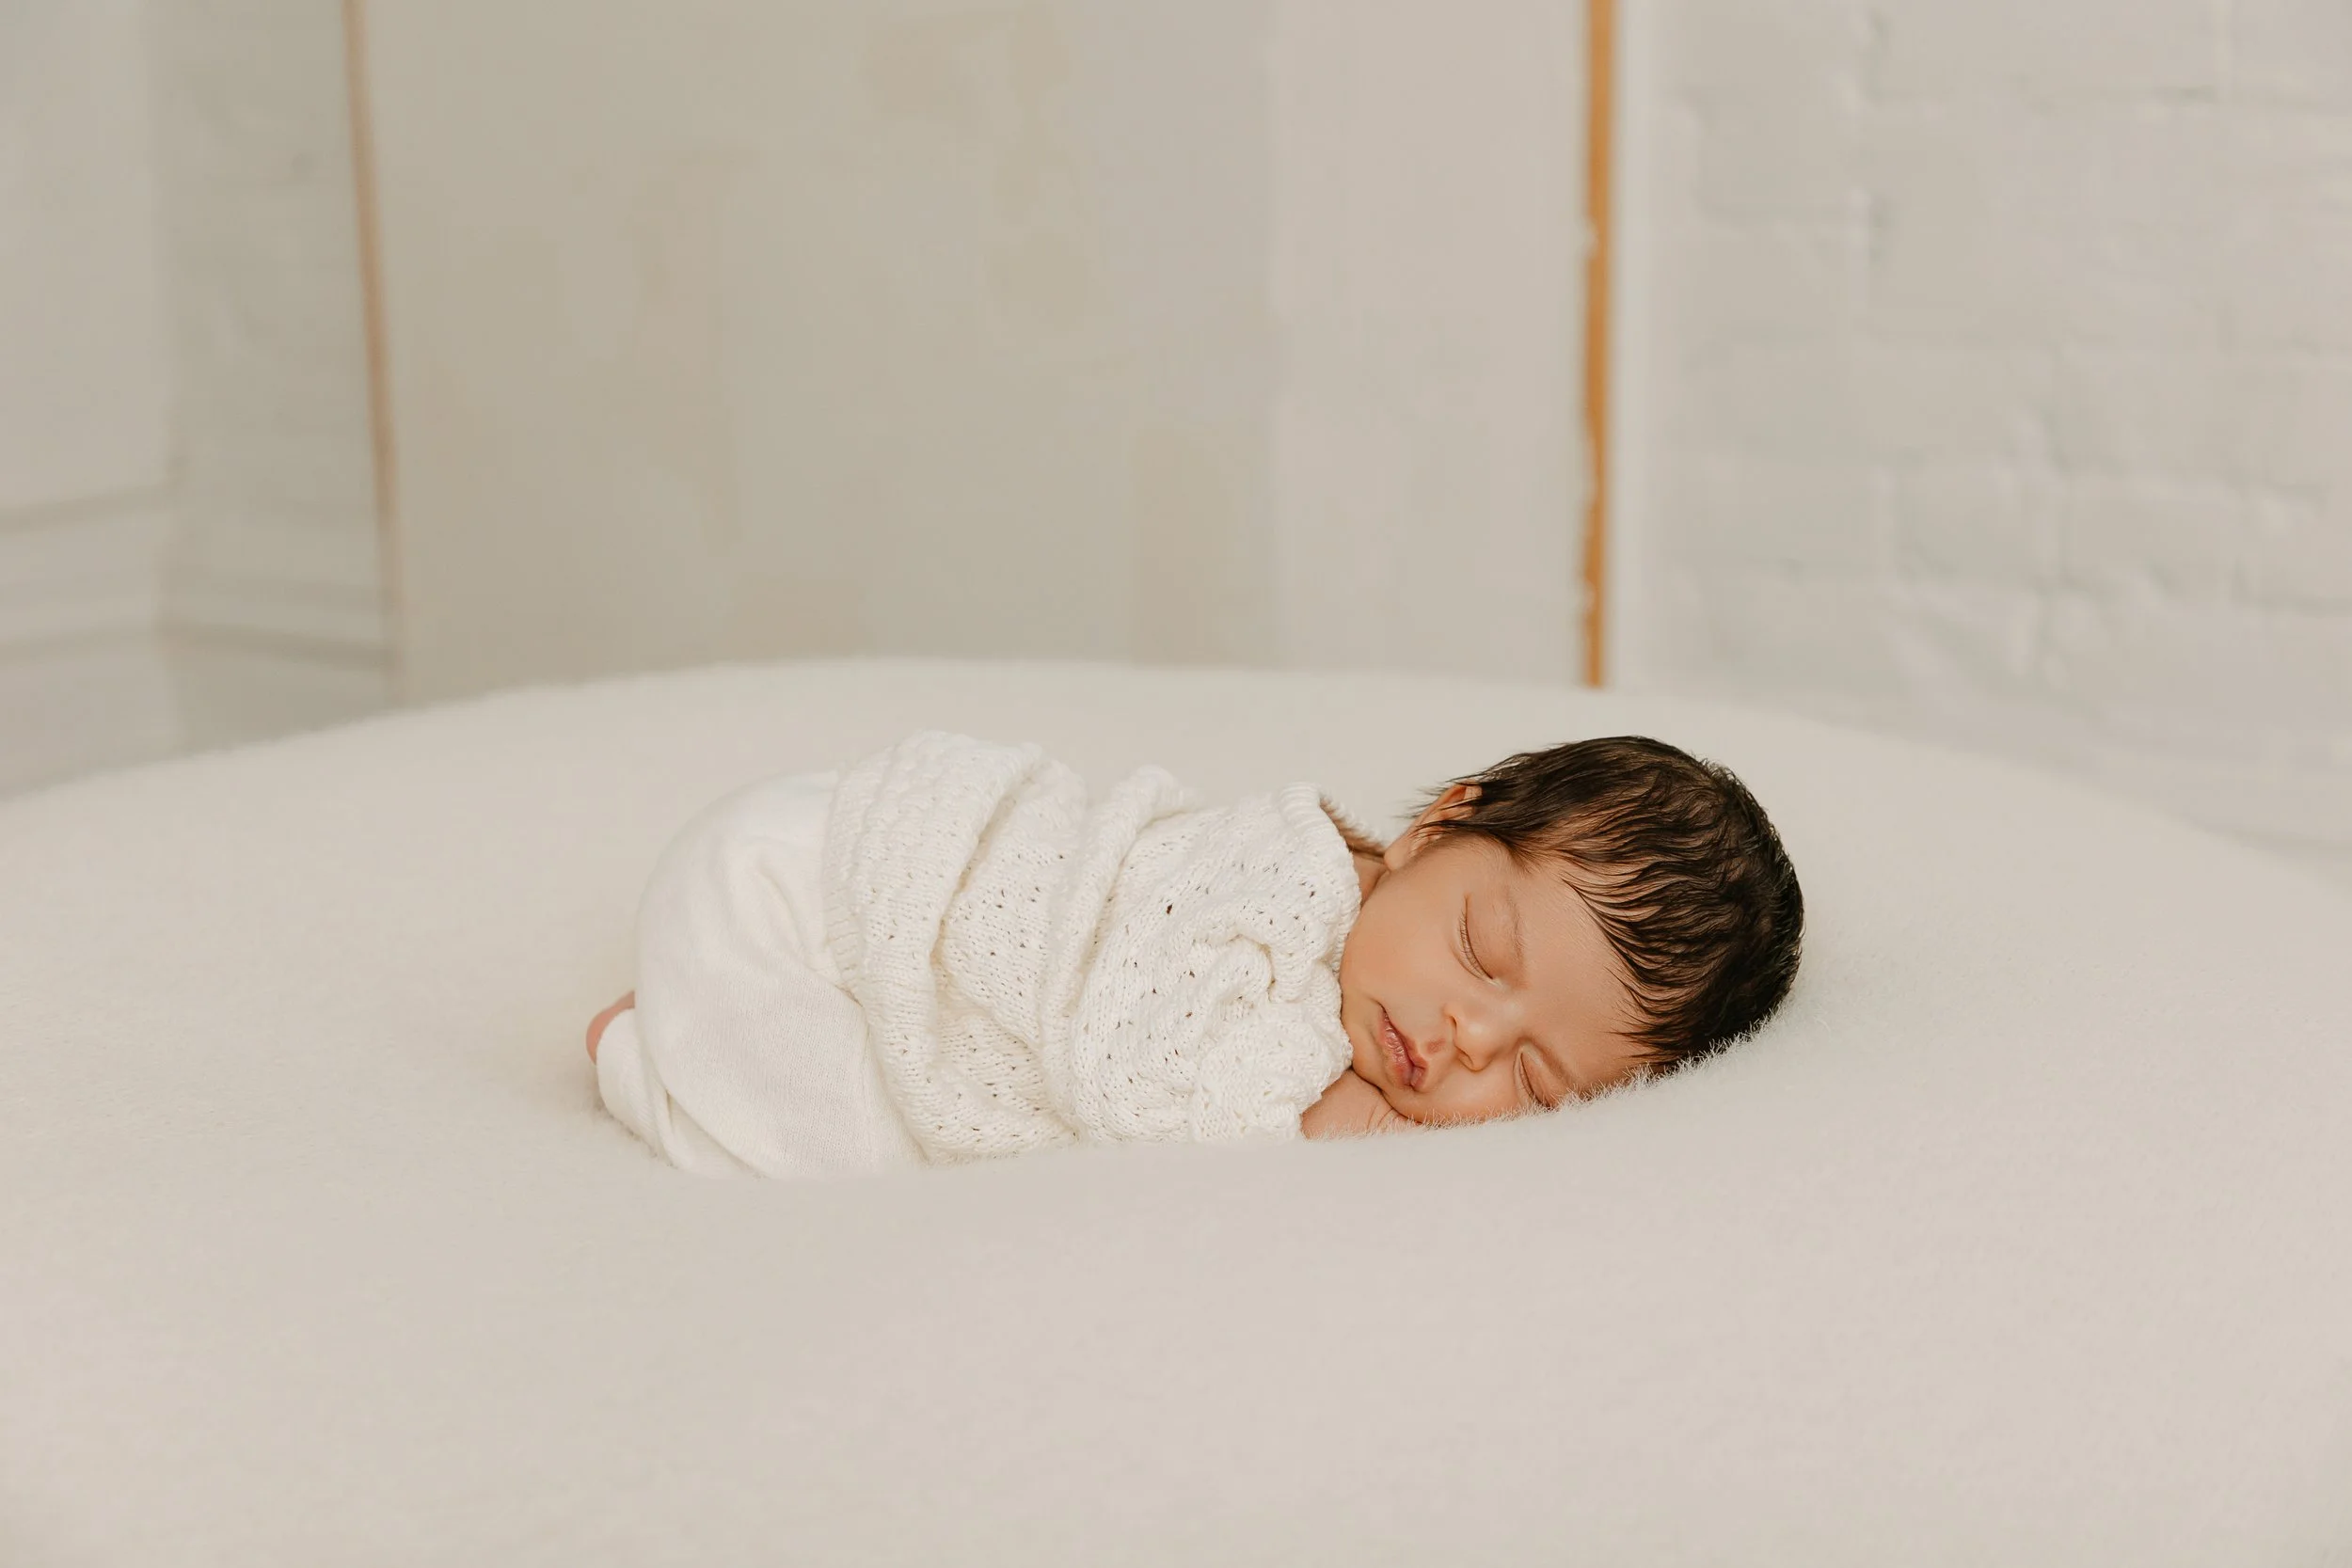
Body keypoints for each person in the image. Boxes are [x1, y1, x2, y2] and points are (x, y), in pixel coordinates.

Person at [587, 730, 1802, 1177]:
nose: (1465, 1037)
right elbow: (1135, 1092)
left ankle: (699, 1035)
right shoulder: (1277, 885)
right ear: (1444, 821)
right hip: (809, 887)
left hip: (843, 926)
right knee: (845, 1177)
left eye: (1532, 1080)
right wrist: (1334, 1129)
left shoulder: (1365, 984)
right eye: (1482, 949)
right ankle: (649, 1065)